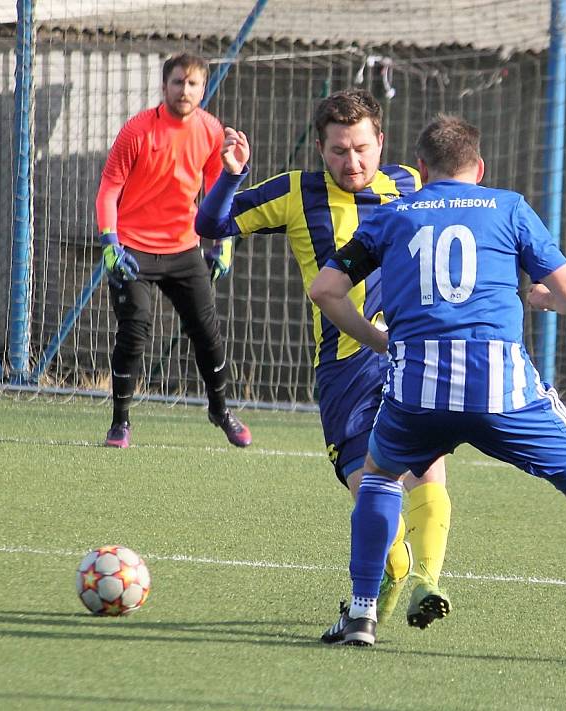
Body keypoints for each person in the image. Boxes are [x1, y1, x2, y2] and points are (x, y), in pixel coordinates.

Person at [310, 114, 566, 650]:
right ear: (480, 168)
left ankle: (361, 614)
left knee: (380, 478)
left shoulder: (393, 215)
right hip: (503, 389)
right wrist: (545, 300)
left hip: (417, 390)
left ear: (421, 169)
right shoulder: (509, 207)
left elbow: (325, 290)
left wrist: (377, 340)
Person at [195, 89, 452, 627]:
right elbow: (210, 225)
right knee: (367, 485)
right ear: (319, 148)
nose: (352, 162)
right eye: (338, 150)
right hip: (346, 367)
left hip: (412, 355)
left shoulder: (409, 183)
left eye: (361, 148)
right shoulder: (295, 193)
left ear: (381, 142)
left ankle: (427, 579)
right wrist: (232, 176)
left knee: (427, 469)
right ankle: (398, 566)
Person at [95, 52, 251, 450]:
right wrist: (110, 243)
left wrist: (223, 245)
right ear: (164, 86)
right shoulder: (136, 130)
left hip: (185, 250)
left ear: (203, 88)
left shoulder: (213, 131)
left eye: (193, 83)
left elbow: (221, 196)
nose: (185, 90)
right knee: (135, 330)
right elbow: (109, 189)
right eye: (178, 82)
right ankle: (120, 422)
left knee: (208, 334)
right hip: (133, 251)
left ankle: (220, 410)